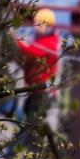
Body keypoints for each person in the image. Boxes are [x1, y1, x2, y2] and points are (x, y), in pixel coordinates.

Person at [15, 8, 60, 150]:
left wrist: (15, 41)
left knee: (33, 125)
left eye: (40, 24)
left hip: (42, 93)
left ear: (48, 26)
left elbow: (32, 53)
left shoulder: (50, 43)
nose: (37, 28)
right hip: (35, 91)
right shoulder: (41, 41)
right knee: (28, 122)